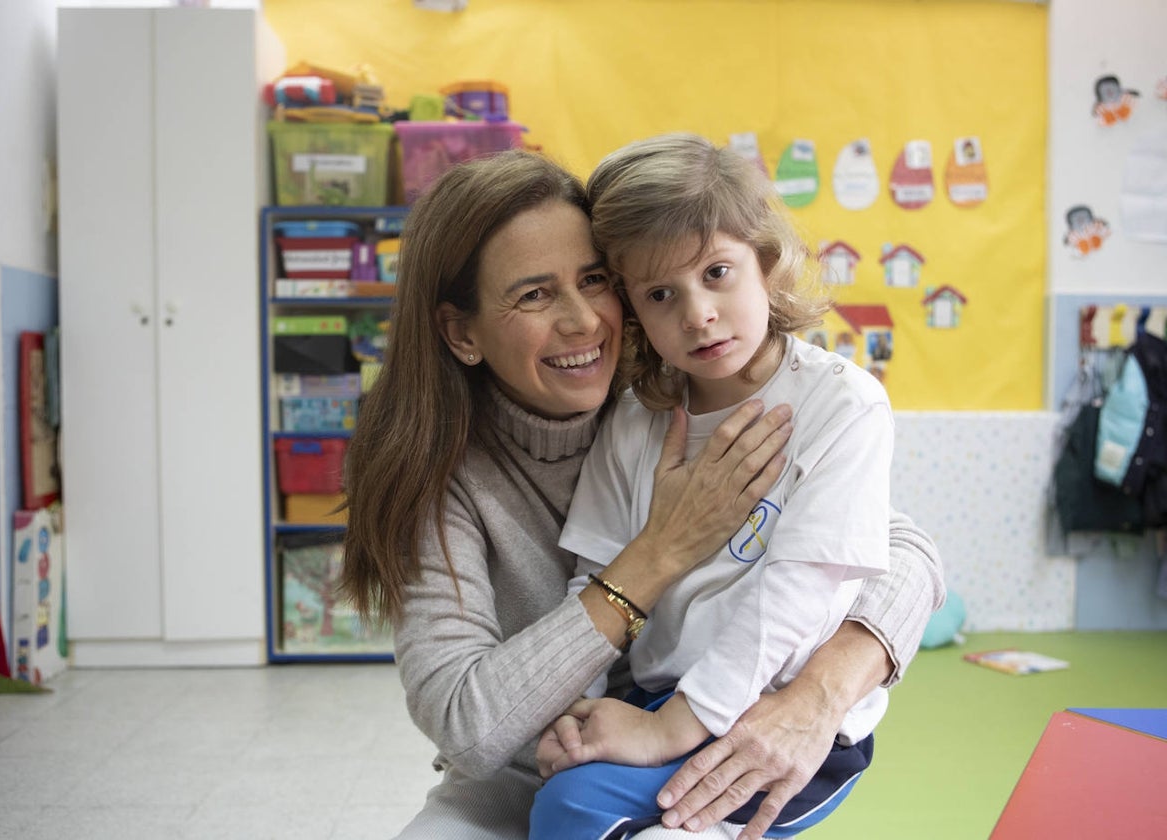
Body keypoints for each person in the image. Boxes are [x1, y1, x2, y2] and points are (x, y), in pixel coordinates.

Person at [339, 149, 944, 840]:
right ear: (461, 332)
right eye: (534, 294)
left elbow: (902, 551)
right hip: (537, 762)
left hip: (715, 721)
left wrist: (821, 691)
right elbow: (469, 724)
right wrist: (659, 552)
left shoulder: (684, 391)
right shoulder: (444, 471)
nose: (583, 322)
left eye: (593, 281)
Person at [529, 132, 894, 840]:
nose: (696, 313)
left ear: (766, 261)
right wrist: (579, 716)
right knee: (566, 804)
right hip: (658, 697)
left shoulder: (843, 405)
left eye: (717, 274)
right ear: (633, 311)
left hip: (778, 714)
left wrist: (670, 731)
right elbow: (598, 580)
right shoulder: (636, 419)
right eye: (662, 293)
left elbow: (795, 597)